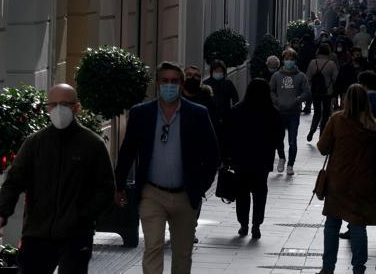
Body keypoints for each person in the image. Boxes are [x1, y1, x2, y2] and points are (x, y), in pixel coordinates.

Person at [0, 84, 114, 274]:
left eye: (64, 104)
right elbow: (14, 182)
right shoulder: (34, 143)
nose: (58, 109)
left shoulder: (92, 144)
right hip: (37, 232)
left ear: (76, 107)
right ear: (47, 108)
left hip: (75, 235)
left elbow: (106, 189)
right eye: (53, 104)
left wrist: (83, 216)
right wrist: (1, 213)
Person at [114, 62, 220, 274]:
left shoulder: (197, 114)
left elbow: (213, 154)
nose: (169, 85)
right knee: (153, 247)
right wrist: (119, 186)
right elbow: (127, 151)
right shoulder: (141, 113)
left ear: (181, 85)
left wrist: (200, 186)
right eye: (165, 81)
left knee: (182, 254)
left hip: (185, 194)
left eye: (174, 81)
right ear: (157, 84)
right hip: (152, 194)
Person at [317, 84, 376, 274]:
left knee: (332, 224)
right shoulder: (373, 126)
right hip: (363, 183)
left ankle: (328, 267)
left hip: (338, 181)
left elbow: (322, 147)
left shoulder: (337, 120)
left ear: (346, 100)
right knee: (358, 227)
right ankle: (359, 268)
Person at [224, 79, 284, 239]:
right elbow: (279, 136)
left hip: (241, 159)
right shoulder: (272, 113)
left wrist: (228, 155)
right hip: (262, 159)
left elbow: (228, 135)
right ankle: (256, 224)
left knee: (242, 192)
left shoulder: (237, 110)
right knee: (260, 192)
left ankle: (243, 224)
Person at [270, 48, 312, 175]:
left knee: (292, 140)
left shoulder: (300, 76)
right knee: (278, 138)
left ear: (295, 60)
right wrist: (276, 101)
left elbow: (307, 91)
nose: (289, 61)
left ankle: (290, 164)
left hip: (293, 113)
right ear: (283, 60)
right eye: (287, 59)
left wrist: (298, 100)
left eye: (292, 59)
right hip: (279, 112)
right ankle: (282, 157)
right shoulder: (276, 76)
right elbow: (271, 90)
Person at [306, 43, 339, 142]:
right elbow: (336, 79)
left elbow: (308, 78)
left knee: (316, 113)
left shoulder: (312, 63)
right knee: (325, 114)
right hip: (327, 92)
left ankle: (311, 131)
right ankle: (321, 136)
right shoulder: (331, 64)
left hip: (315, 92)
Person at [203, 59, 239, 126]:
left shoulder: (228, 83)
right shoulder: (206, 84)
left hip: (226, 117)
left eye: (220, 71)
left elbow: (235, 98)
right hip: (211, 118)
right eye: (216, 71)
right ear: (212, 71)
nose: (218, 73)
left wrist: (233, 112)